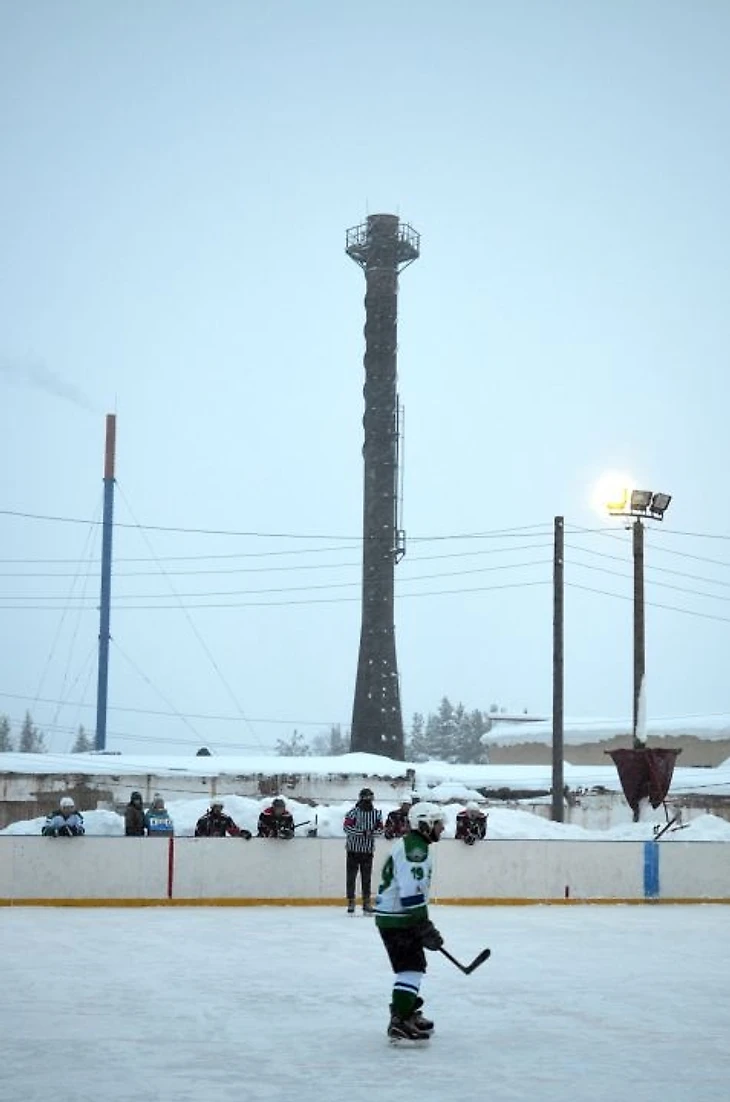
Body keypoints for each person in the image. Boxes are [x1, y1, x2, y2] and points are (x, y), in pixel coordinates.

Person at [374, 801, 446, 1042]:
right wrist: (424, 925)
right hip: (398, 919)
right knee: (411, 969)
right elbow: (411, 893)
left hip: (397, 917)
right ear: (425, 824)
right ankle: (400, 1020)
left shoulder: (414, 844)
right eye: (438, 823)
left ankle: (406, 1012)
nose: (442, 828)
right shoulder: (415, 849)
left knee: (413, 967)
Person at [343, 787, 383, 914]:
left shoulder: (376, 814)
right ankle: (351, 901)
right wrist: (363, 833)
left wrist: (371, 833)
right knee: (351, 877)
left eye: (369, 799)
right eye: (365, 799)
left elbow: (381, 830)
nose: (367, 801)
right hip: (353, 850)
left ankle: (366, 902)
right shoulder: (353, 812)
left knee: (366, 878)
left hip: (368, 851)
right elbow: (347, 828)